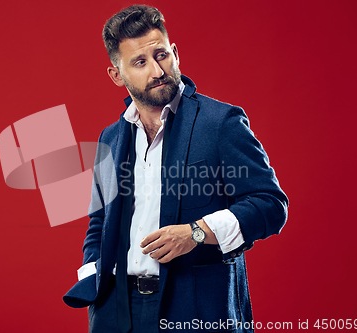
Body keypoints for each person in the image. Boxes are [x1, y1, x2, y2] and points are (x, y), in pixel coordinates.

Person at [63, 5, 288, 333]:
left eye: (161, 55)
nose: (157, 71)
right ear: (116, 74)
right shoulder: (110, 138)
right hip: (115, 311)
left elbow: (270, 205)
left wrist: (196, 233)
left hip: (195, 310)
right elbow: (99, 220)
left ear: (175, 53)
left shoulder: (221, 123)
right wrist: (93, 276)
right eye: (140, 62)